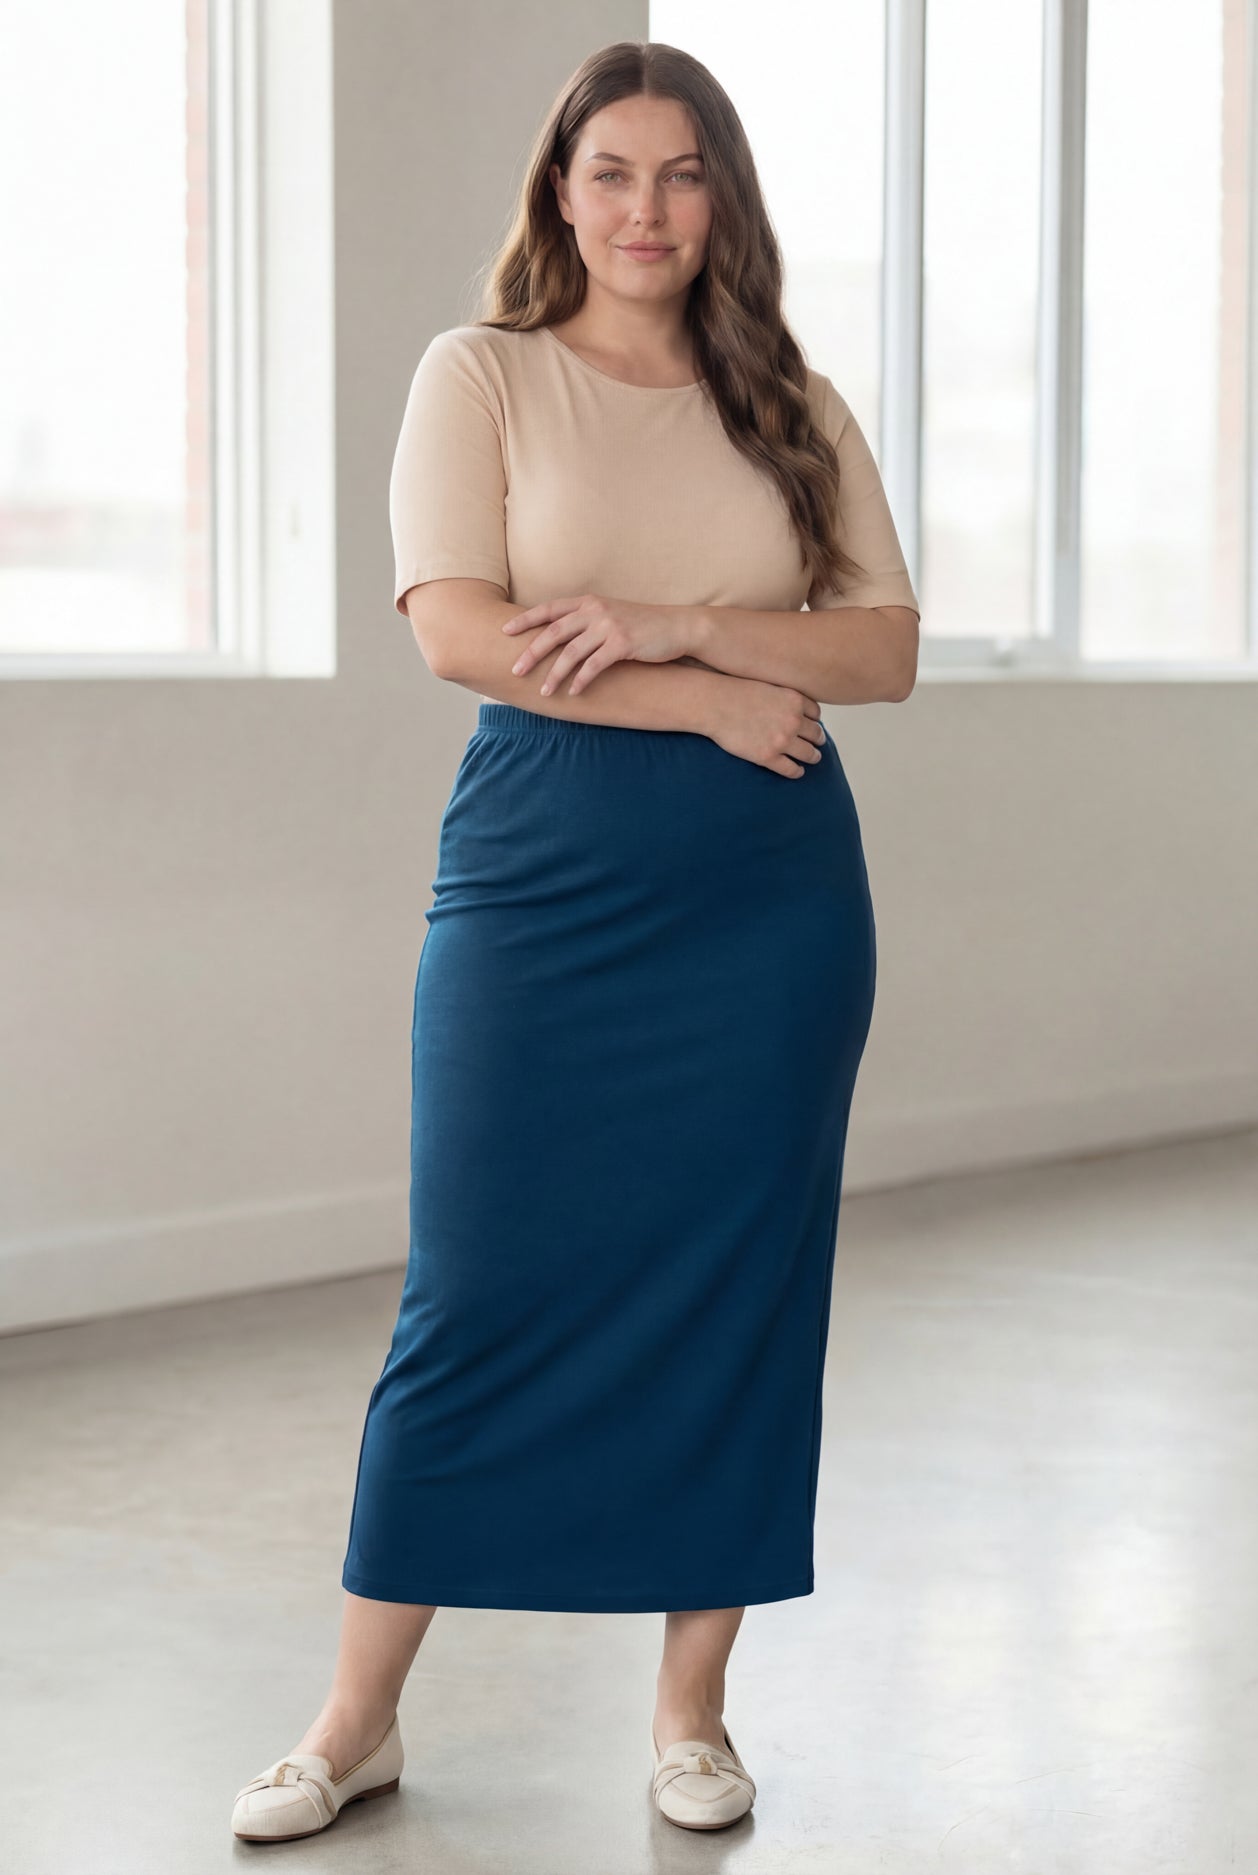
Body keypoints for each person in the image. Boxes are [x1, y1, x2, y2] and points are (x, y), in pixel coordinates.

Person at [232, 38, 919, 1844]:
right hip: (543, 873)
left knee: (739, 1285)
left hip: (767, 902)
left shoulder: (793, 403)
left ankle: (691, 1712)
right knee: (473, 1282)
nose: (645, 208)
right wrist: (701, 693)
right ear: (558, 190)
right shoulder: (484, 377)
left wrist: (663, 619)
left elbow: (882, 651)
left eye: (682, 174)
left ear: (723, 199)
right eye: (610, 171)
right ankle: (355, 1713)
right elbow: (460, 629)